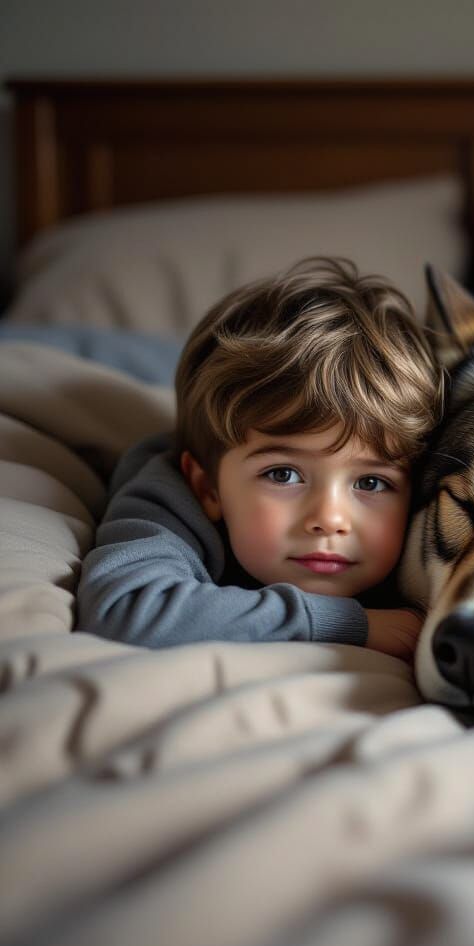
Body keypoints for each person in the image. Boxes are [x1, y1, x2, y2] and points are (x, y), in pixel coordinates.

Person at [75, 256, 442, 662]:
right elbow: (125, 610)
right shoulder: (168, 499)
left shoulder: (427, 521)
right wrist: (355, 624)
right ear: (207, 487)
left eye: (370, 482)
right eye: (283, 474)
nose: (330, 519)